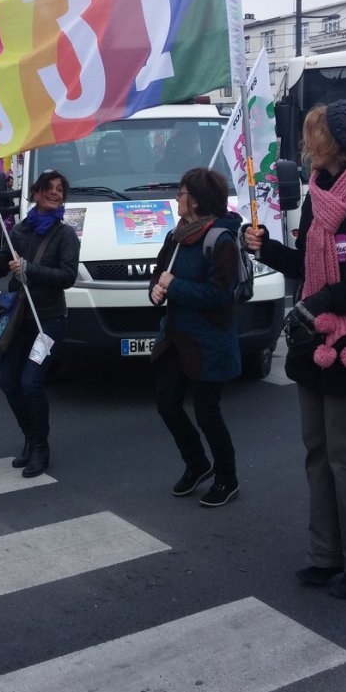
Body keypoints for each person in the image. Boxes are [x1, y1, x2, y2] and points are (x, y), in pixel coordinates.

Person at [244, 101, 346, 599]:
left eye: (313, 135)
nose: (305, 146)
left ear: (336, 142)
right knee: (317, 451)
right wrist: (265, 248)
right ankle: (324, 555)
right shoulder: (317, 195)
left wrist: (319, 303)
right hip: (313, 341)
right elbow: (305, 265)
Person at [149, 168, 241, 507]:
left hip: (208, 342)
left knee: (207, 413)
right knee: (166, 403)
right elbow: (159, 273)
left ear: (196, 201)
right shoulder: (176, 237)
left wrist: (174, 286)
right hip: (175, 337)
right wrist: (155, 290)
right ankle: (197, 462)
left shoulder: (221, 241)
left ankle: (227, 478)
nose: (177, 198)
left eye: (181, 193)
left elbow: (219, 295)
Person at [0, 169, 80, 478]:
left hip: (48, 323)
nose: (55, 193)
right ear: (35, 193)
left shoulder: (65, 235)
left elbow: (67, 276)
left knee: (31, 383)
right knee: (8, 383)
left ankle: (40, 446)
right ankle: (29, 437)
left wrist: (28, 269)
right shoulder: (20, 231)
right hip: (19, 321)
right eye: (49, 187)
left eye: (60, 189)